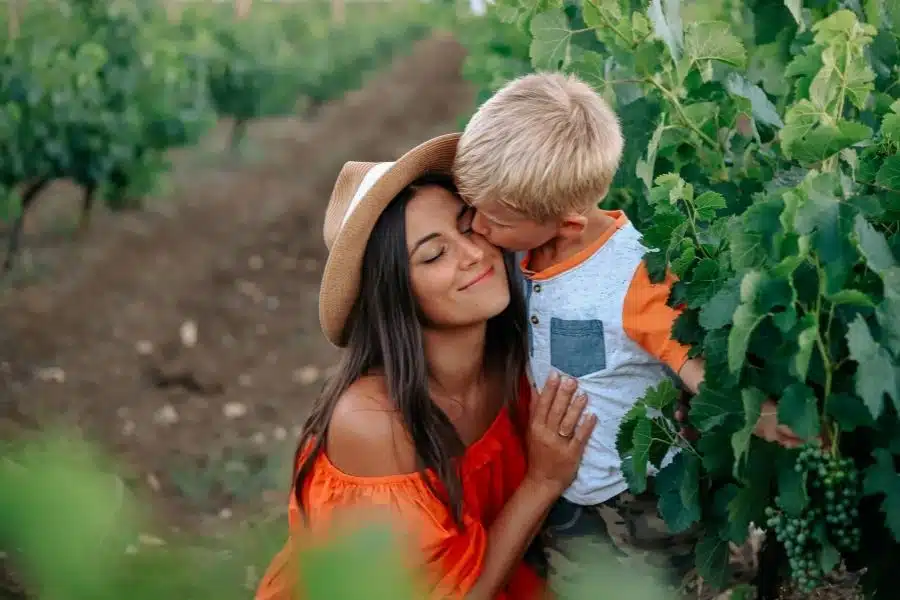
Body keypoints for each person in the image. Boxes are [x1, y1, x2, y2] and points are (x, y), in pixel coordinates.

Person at [452, 72, 805, 595]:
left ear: (568, 223)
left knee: (665, 580)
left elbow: (691, 367)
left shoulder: (634, 277)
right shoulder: (521, 248)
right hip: (564, 483)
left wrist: (761, 416)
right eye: (473, 208)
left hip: (634, 488)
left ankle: (729, 559)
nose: (478, 228)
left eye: (496, 220)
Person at [254, 133, 598, 600]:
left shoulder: (520, 356)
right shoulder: (374, 425)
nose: (473, 253)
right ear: (395, 295)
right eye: (435, 254)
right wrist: (543, 480)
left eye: (468, 227)